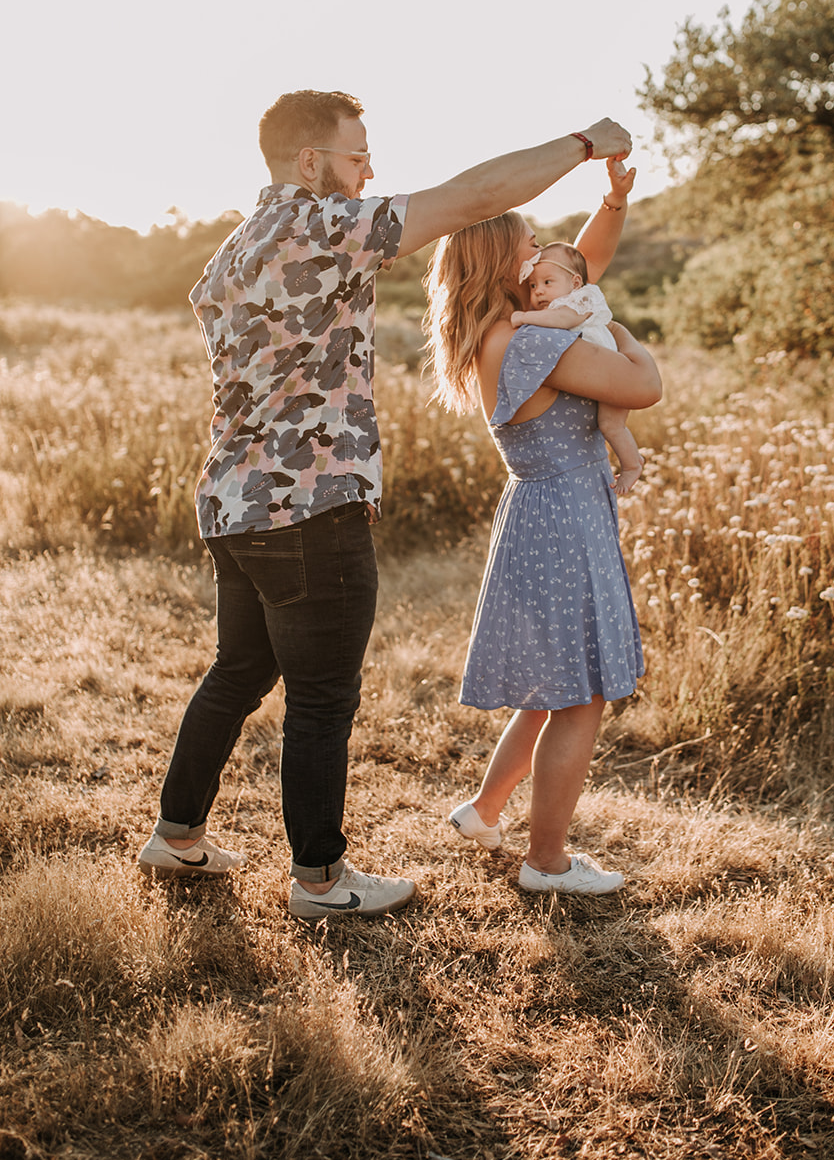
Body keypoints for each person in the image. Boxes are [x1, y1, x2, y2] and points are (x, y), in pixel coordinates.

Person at [136, 92, 632, 919]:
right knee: (323, 699)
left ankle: (177, 834)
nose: (369, 172)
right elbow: (476, 198)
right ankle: (320, 881)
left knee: (237, 673)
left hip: (232, 499)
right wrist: (585, 144)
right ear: (310, 163)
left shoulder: (234, 248)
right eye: (357, 155)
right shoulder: (322, 226)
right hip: (310, 504)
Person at [423, 197, 661, 895]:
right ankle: (546, 862)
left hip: (538, 511)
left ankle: (484, 810)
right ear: (501, 262)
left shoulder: (497, 331)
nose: (540, 257)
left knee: (550, 684)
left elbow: (581, 267)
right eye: (529, 248)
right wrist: (620, 329)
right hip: (564, 518)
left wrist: (614, 200)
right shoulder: (530, 341)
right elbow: (643, 386)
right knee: (580, 694)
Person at [509, 239, 643, 495]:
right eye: (533, 285)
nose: (538, 291)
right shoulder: (559, 303)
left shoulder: (578, 302)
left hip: (614, 374)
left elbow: (562, 319)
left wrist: (523, 317)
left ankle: (632, 465)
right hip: (602, 373)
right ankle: (631, 461)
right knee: (607, 424)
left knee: (611, 425)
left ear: (575, 283)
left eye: (548, 282)